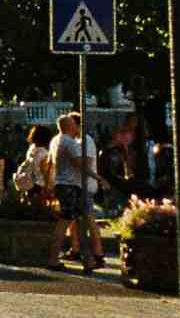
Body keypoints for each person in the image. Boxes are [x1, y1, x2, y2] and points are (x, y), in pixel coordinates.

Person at [46, 112, 103, 272]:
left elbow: (48, 163)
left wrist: (49, 184)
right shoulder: (69, 142)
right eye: (74, 122)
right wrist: (98, 177)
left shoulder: (56, 140)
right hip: (70, 186)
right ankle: (54, 259)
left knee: (76, 221)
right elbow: (80, 164)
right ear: (70, 126)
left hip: (62, 185)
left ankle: (88, 260)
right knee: (68, 222)